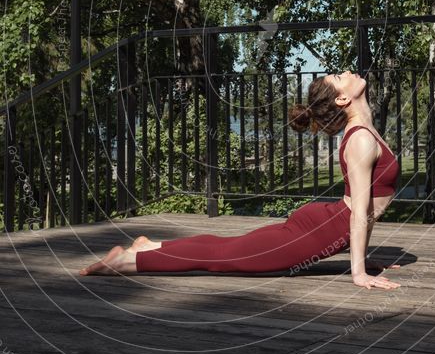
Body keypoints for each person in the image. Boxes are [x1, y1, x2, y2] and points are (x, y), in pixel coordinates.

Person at [79, 70, 401, 291]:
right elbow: (359, 212)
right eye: (341, 77)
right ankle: (125, 261)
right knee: (224, 257)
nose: (348, 72)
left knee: (227, 248)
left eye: (340, 74)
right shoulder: (360, 139)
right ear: (343, 100)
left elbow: (363, 208)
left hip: (324, 226)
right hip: (319, 232)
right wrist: (358, 272)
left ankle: (150, 245)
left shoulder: (363, 133)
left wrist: (361, 258)